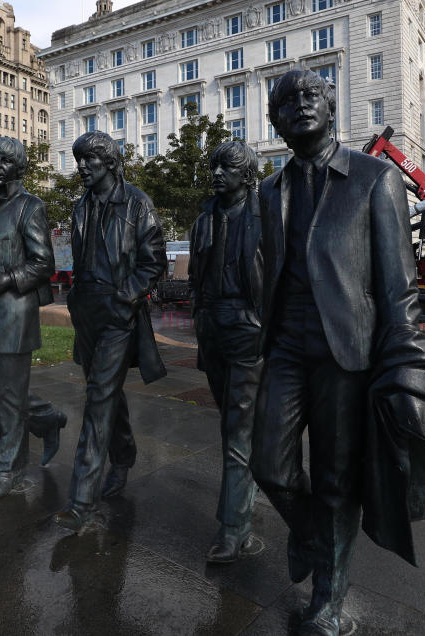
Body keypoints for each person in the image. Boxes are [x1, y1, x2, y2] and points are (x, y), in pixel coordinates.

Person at [252, 70, 425, 635]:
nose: (302, 105)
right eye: (288, 101)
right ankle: (312, 537)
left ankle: (329, 596)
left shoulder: (375, 179)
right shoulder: (269, 192)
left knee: (336, 479)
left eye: (313, 95)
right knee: (270, 465)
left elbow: (397, 285)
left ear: (332, 108)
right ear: (276, 121)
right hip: (286, 347)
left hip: (348, 353)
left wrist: (402, 357)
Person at [54, 131, 167, 532]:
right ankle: (124, 453)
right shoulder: (81, 205)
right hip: (87, 313)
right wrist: (73, 296)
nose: (82, 167)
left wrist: (126, 299)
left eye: (90, 160)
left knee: (98, 397)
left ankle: (81, 500)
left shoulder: (136, 203)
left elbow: (154, 262)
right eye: (79, 159)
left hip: (119, 313)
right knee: (106, 392)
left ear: (110, 162)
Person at [0, 136, 67, 503]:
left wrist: (7, 278)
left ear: (19, 166)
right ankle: (48, 419)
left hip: (12, 312)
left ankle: (10, 470)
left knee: (8, 396)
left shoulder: (29, 206)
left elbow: (43, 263)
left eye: (5, 160)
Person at [188, 141, 264, 563]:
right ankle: (247, 493)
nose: (218, 172)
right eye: (214, 165)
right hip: (213, 327)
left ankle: (233, 527)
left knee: (237, 430)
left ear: (247, 174)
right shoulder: (203, 221)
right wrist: (200, 316)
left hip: (249, 329)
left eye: (228, 166)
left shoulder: (267, 214)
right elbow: (198, 277)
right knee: (233, 426)